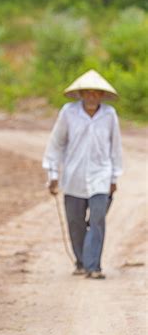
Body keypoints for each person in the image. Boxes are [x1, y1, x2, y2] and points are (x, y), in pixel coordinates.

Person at [43, 69, 123, 279]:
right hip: (73, 177)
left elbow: (115, 148)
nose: (91, 97)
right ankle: (81, 261)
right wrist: (52, 174)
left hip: (101, 177)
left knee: (97, 219)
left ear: (102, 95)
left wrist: (114, 177)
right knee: (75, 222)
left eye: (96, 93)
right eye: (87, 93)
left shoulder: (109, 115)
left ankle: (94, 266)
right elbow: (56, 144)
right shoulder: (68, 112)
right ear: (80, 94)